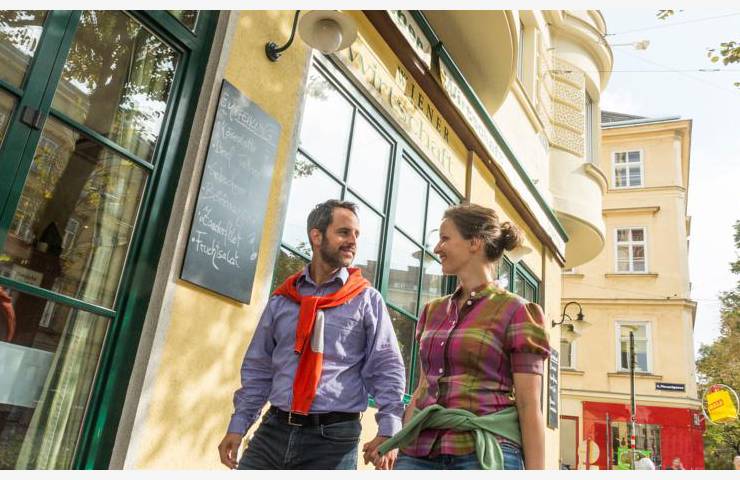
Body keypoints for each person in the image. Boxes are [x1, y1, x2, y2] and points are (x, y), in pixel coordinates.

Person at [217, 199, 406, 469]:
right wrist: (238, 425)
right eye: (344, 232)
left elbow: (386, 368)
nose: (353, 241)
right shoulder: (283, 299)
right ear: (316, 236)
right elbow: (259, 368)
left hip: (333, 441)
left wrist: (389, 430)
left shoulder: (366, 300)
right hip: (273, 432)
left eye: (356, 234)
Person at [367, 203, 550, 470]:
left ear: (474, 242)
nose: (437, 248)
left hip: (484, 452)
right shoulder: (432, 311)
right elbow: (422, 389)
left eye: (445, 238)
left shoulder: (518, 311)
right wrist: (394, 439)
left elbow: (528, 405)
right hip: (419, 451)